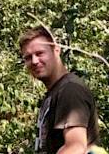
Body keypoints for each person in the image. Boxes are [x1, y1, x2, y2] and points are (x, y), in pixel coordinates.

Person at [19, 26, 99, 154]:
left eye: (40, 53)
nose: (34, 61)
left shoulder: (70, 90)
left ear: (56, 50)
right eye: (28, 57)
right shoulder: (55, 91)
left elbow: (75, 147)